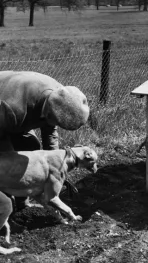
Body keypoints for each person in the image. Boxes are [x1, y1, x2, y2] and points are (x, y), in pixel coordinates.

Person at [0, 70, 90, 222]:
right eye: (54, 121)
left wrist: (59, 167)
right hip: (2, 117)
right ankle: (6, 209)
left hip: (15, 116)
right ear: (47, 113)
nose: (53, 125)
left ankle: (22, 204)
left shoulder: (62, 96)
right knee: (10, 168)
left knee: (31, 146)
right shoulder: (14, 109)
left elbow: (50, 134)